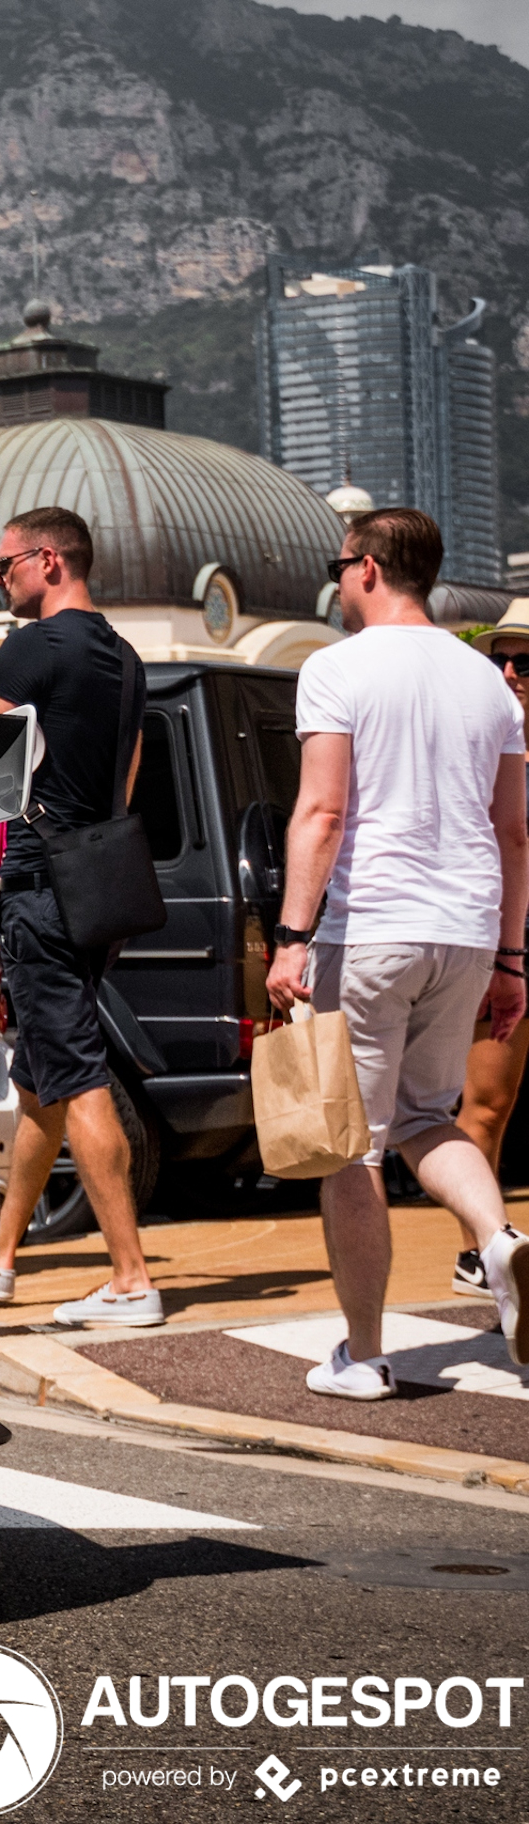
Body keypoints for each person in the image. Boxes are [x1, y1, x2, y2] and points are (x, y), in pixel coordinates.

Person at [267, 508, 527, 1397]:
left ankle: (365, 1353)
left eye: (340, 567)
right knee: (426, 1115)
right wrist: (512, 958)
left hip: (372, 927)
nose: (337, 583)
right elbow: (515, 832)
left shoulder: (336, 668)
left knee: (354, 1145)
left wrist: (293, 936)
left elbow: (323, 813)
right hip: (465, 930)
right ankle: (500, 1245)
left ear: (370, 568)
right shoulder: (490, 683)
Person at [0, 507, 160, 1324]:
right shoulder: (125, 656)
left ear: (47, 560)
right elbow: (127, 772)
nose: (0, 580)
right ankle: (2, 1261)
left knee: (76, 1076)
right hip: (97, 882)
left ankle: (130, 1279)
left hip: (40, 883)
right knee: (44, 1080)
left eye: (5, 565)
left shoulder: (33, 646)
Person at [451, 600, 529, 1303]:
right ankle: (481, 1249)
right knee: (485, 1104)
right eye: (501, 657)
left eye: (525, 659)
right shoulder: (486, 744)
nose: (510, 671)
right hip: (508, 945)